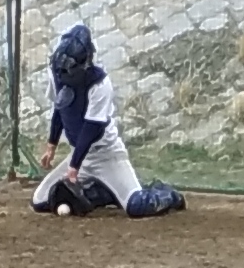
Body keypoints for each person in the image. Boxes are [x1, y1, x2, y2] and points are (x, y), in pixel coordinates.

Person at [32, 24, 185, 218]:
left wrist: (73, 167)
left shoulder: (100, 83)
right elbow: (60, 105)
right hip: (80, 155)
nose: (64, 75)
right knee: (41, 201)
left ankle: (168, 195)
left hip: (107, 154)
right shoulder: (56, 70)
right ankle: (102, 193)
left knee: (137, 206)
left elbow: (92, 129)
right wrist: (51, 146)